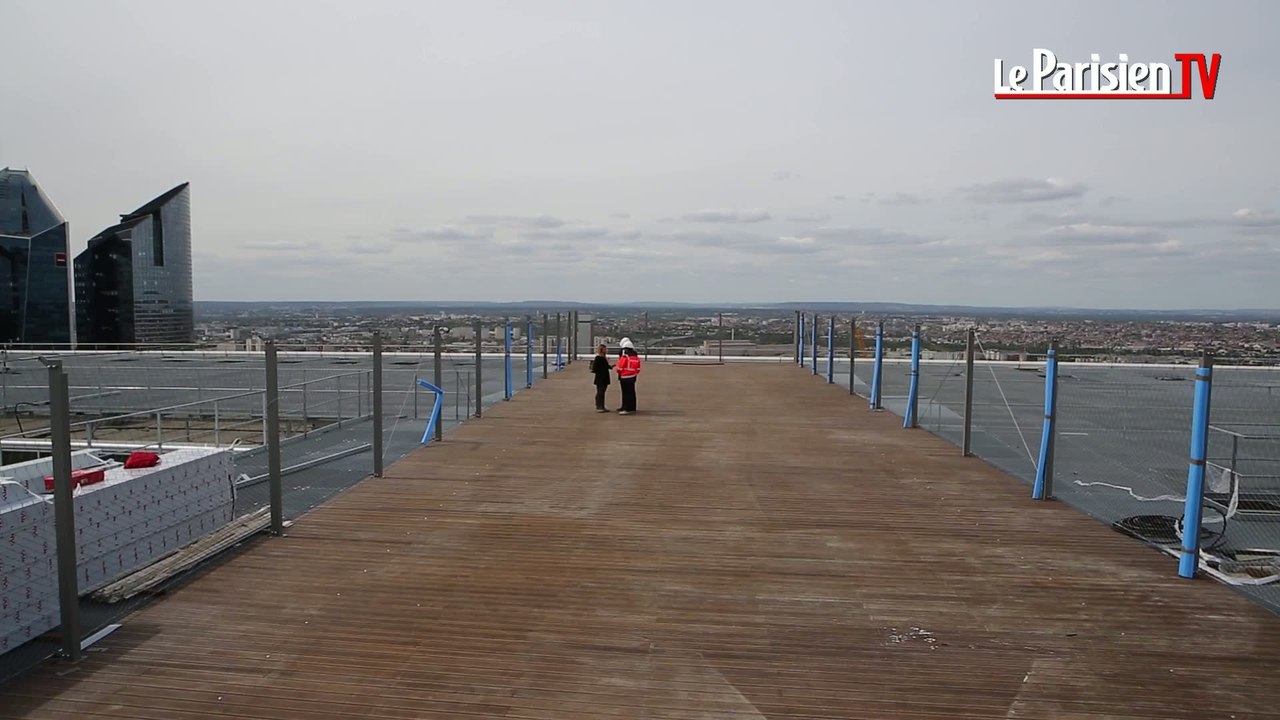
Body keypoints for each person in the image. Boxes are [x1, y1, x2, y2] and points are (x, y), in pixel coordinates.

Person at [615, 337, 642, 414]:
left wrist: (618, 371)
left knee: (625, 393)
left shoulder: (625, 356)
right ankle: (632, 407)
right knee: (632, 392)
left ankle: (626, 408)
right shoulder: (635, 355)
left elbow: (620, 366)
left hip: (624, 376)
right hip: (633, 376)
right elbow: (638, 367)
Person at [589, 343, 613, 412]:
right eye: (605, 349)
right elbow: (595, 368)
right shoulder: (598, 358)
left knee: (602, 392)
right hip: (600, 377)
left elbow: (606, 366)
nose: (606, 350)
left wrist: (610, 366)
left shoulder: (604, 358)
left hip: (604, 377)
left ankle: (602, 406)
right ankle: (599, 406)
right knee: (600, 392)